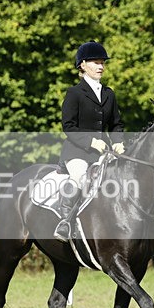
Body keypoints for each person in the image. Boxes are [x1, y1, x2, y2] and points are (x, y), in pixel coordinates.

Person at [54, 41, 125, 241]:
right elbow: (68, 126)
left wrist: (118, 141)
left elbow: (116, 124)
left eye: (102, 62)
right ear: (82, 65)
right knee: (80, 177)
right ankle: (65, 222)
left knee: (123, 179)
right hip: (77, 152)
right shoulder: (74, 93)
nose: (101, 66)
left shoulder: (109, 94)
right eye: (96, 62)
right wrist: (92, 142)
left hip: (103, 152)